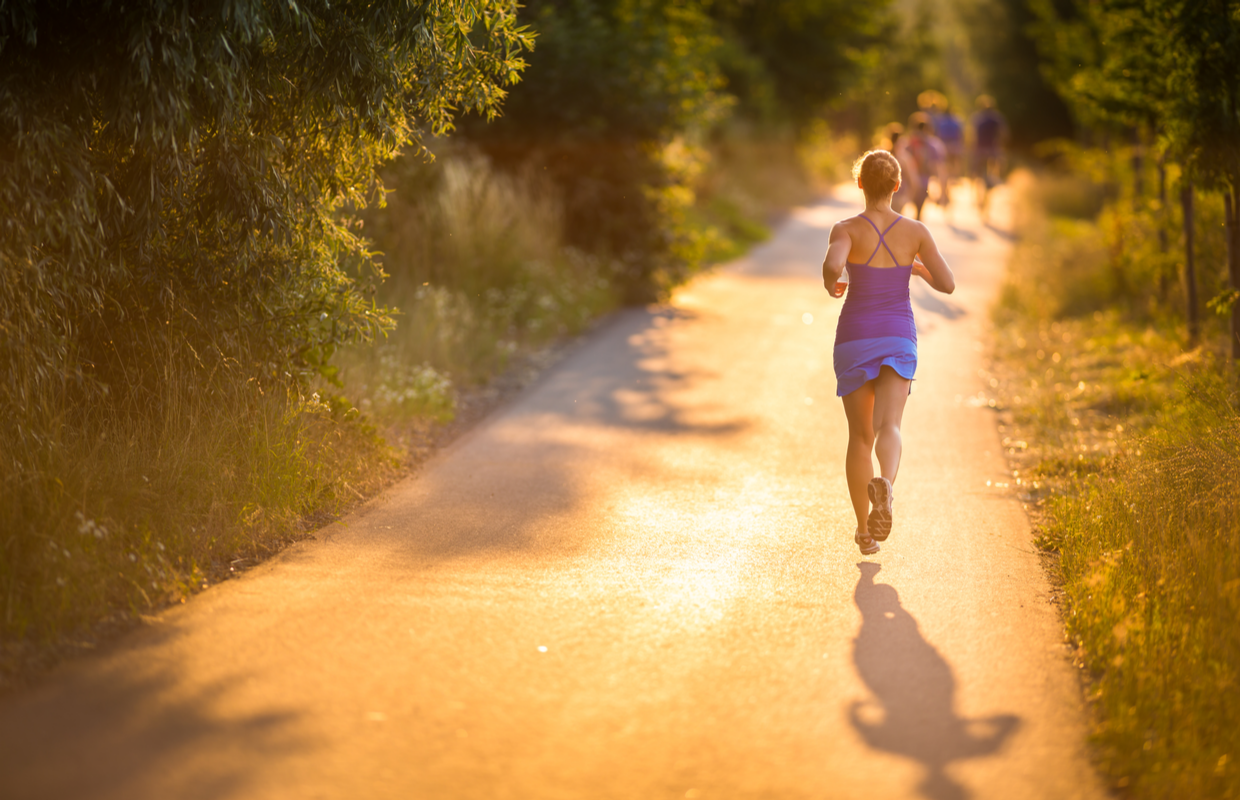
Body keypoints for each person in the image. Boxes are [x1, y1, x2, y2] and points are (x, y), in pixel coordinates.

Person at [821, 150, 956, 555]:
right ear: (898, 185)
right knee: (890, 426)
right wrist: (918, 269)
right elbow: (948, 284)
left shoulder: (845, 228)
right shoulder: (915, 231)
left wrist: (833, 283)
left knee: (859, 437)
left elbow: (832, 265)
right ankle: (888, 488)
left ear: (859, 183)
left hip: (855, 336)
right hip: (898, 336)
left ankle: (864, 530)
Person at [895, 112, 945, 220]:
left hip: (907, 185)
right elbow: (938, 168)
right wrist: (942, 190)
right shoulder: (932, 145)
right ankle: (917, 230)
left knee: (901, 213)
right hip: (923, 183)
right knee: (919, 213)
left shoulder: (907, 143)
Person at [969, 95, 1009, 219]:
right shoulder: (997, 118)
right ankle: (987, 201)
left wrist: (972, 148)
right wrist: (1001, 146)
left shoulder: (977, 117)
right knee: (991, 175)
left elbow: (971, 134)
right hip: (993, 150)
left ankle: (978, 198)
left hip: (979, 150)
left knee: (977, 175)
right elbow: (1004, 133)